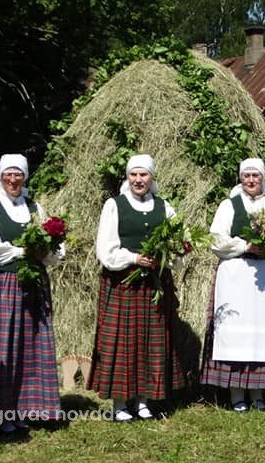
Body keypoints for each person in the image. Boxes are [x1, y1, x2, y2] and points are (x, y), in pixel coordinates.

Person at [0, 154, 62, 432]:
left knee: (28, 348)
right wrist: (22, 251)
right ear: (0, 176)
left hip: (33, 286)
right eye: (8, 173)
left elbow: (54, 246)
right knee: (3, 349)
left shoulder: (35, 207)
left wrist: (46, 252)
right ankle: (1, 413)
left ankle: (25, 408)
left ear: (25, 177)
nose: (13, 179)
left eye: (18, 174)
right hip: (1, 285)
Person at [89, 155, 187, 421]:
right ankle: (120, 403)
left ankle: (143, 400)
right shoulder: (115, 205)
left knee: (150, 342)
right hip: (123, 283)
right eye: (133, 175)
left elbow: (178, 244)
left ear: (151, 177)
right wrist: (133, 258)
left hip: (154, 285)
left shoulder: (164, 207)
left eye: (143, 175)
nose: (138, 180)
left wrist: (168, 254)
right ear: (127, 177)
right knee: (123, 342)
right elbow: (105, 249)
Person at [200, 158, 265, 412]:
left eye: (256, 176)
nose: (251, 180)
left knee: (261, 334)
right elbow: (216, 240)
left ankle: (258, 393)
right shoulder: (229, 206)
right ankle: (236, 395)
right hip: (236, 279)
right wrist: (246, 246)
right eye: (247, 176)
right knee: (236, 333)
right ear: (241, 178)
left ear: (263, 178)